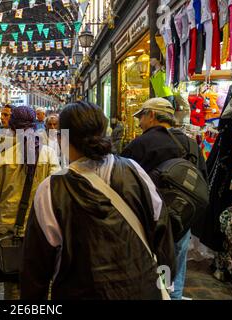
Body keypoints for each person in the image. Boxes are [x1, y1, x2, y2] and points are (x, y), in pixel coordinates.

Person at [20, 101, 175, 300]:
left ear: (62, 139)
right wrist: (165, 286)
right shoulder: (134, 171)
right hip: (141, 290)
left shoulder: (51, 189)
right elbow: (162, 236)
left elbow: (35, 269)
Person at [0, 106, 61, 299]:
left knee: (14, 289)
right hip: (43, 232)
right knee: (44, 287)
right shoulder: (48, 154)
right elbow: (57, 192)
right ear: (35, 126)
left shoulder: (0, 157)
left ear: (12, 128)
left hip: (11, 234)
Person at [121, 98, 207, 300]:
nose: (140, 122)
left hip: (149, 223)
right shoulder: (191, 145)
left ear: (152, 115)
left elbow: (123, 182)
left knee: (154, 267)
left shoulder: (141, 144)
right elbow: (202, 183)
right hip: (181, 222)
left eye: (141, 116)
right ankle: (171, 296)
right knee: (174, 270)